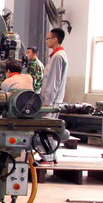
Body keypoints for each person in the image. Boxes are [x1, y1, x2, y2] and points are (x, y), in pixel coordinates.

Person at [40, 28, 68, 165]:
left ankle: (48, 158)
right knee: (49, 130)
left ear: (55, 39)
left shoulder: (58, 56)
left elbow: (53, 82)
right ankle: (51, 157)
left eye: (48, 38)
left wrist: (47, 102)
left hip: (51, 101)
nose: (46, 41)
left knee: (44, 130)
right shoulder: (57, 55)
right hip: (52, 99)